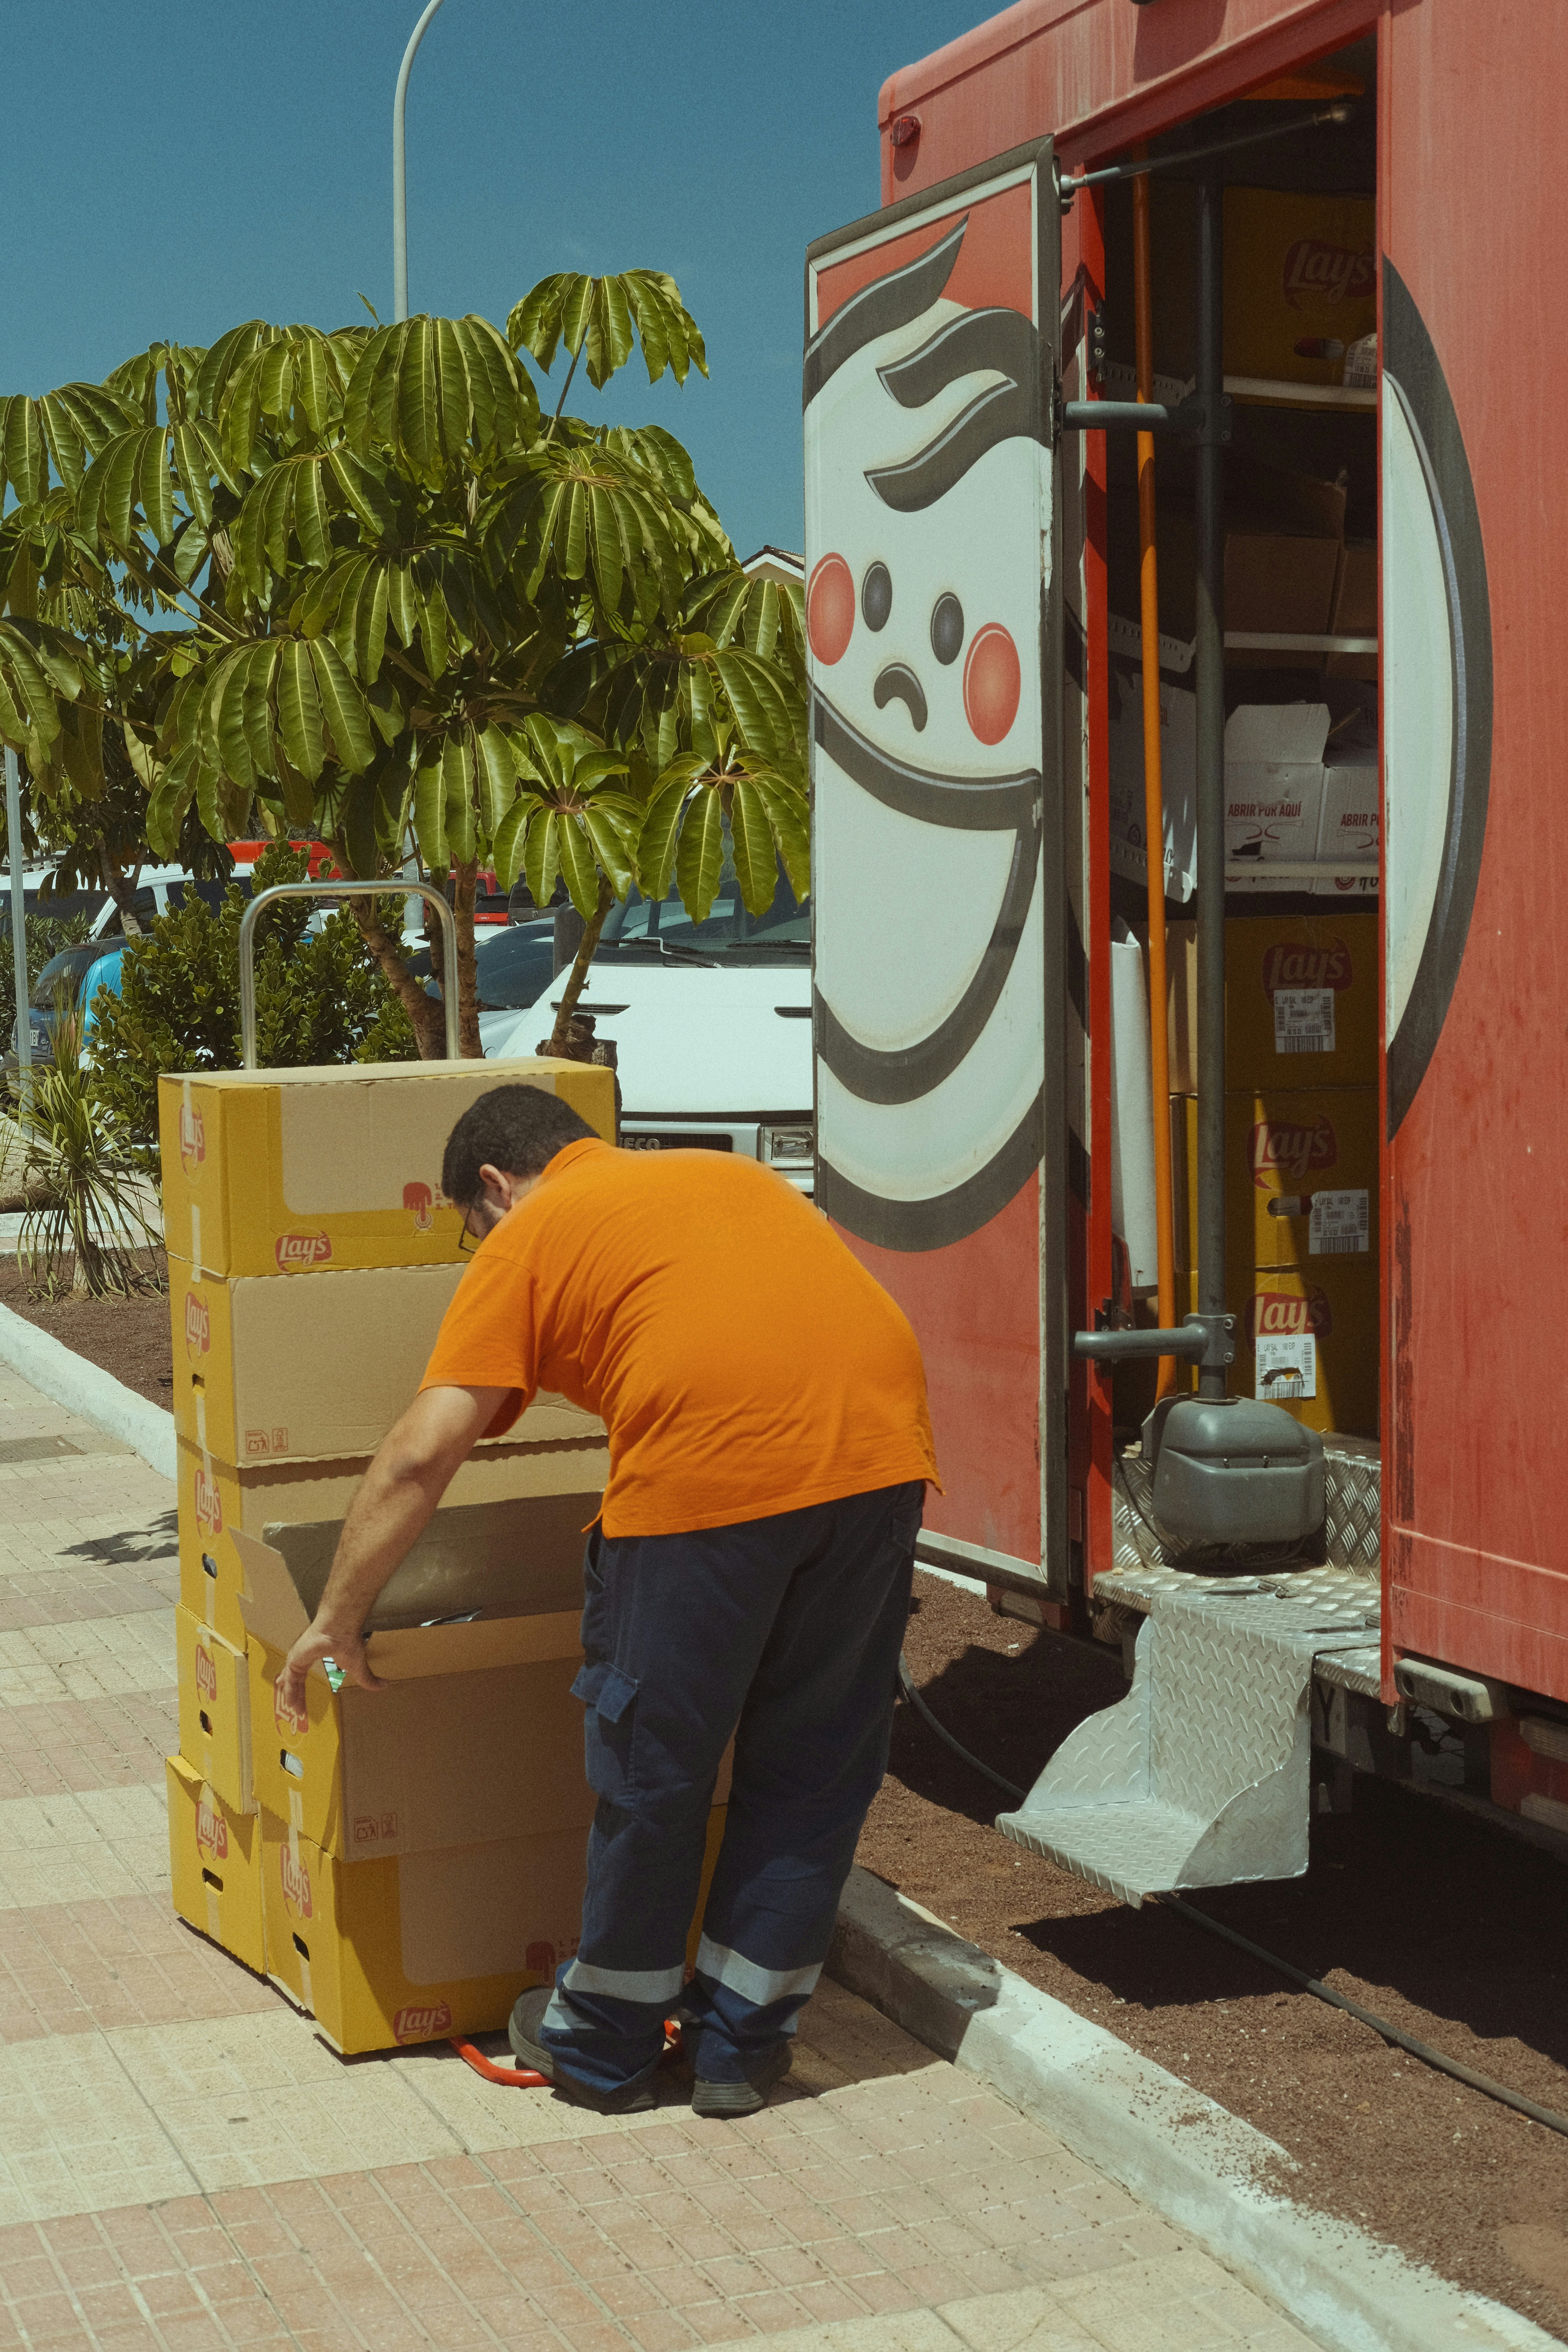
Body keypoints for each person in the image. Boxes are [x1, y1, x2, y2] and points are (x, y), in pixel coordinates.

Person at [278, 1083, 937, 2119]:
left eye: (469, 1229)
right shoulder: (725, 1177)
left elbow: (422, 1452)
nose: (476, 1249)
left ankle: (606, 2046)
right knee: (812, 1773)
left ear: (496, 1185)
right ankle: (740, 2049)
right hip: (881, 1462)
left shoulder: (531, 1232)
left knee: (654, 1773)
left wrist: (337, 1615)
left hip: (711, 1484)